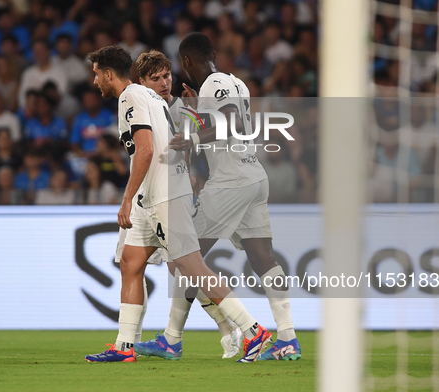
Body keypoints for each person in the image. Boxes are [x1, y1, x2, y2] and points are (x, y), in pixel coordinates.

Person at [84, 45, 271, 363]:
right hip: (154, 194)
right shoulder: (154, 99)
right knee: (131, 263)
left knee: (191, 267)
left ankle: (254, 331)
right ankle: (124, 346)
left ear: (107, 73)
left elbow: (144, 150)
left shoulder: (132, 97)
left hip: (163, 194)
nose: (94, 82)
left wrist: (126, 199)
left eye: (96, 74)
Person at [157, 33, 301, 361]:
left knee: (183, 256)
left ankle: (175, 338)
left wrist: (192, 139)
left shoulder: (213, 85)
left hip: (230, 181)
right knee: (264, 257)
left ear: (187, 62)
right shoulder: (237, 83)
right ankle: (288, 337)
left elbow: (232, 123)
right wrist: (196, 111)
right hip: (253, 175)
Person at [134, 49, 243, 358]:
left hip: (178, 196)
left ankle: (234, 330)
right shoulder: (140, 109)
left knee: (186, 267)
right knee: (181, 269)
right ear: (142, 82)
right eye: (155, 79)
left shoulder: (184, 108)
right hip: (153, 197)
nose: (164, 83)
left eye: (166, 76)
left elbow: (203, 147)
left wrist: (198, 180)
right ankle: (226, 331)